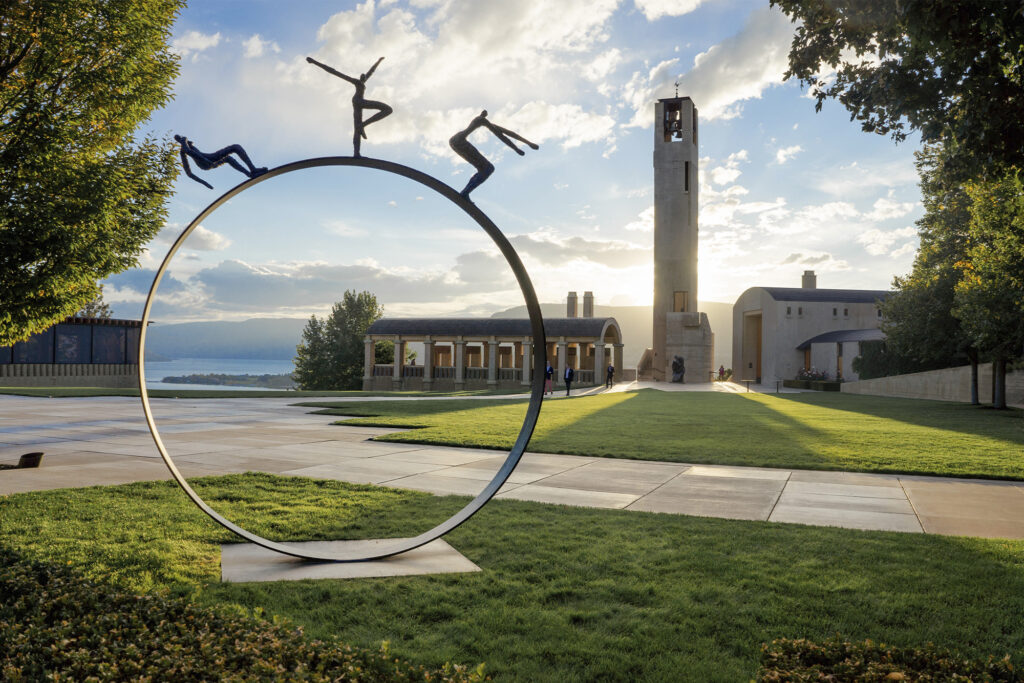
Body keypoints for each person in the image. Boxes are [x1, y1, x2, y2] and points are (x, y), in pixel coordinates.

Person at [306, 56, 393, 157]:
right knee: (387, 109)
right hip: (358, 101)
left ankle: (356, 153)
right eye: (363, 76)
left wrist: (379, 61)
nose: (364, 76)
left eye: (365, 76)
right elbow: (334, 72)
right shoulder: (356, 81)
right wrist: (314, 62)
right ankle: (362, 125)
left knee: (357, 128)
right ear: (360, 77)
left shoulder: (363, 81)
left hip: (357, 102)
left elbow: (371, 71)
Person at [449, 110, 538, 199]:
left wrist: (528, 143)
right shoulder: (482, 120)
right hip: (459, 142)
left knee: (482, 169)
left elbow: (508, 133)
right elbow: (502, 136)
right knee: (488, 168)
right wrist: (516, 149)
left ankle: (466, 192)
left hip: (455, 141)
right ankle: (465, 192)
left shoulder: (480, 120)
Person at [175, 135, 267, 189]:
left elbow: (196, 156)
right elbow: (189, 172)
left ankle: (252, 171)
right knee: (231, 154)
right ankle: (250, 173)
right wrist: (205, 184)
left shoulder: (190, 146)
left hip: (209, 158)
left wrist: (206, 184)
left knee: (235, 148)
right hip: (205, 164)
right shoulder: (184, 146)